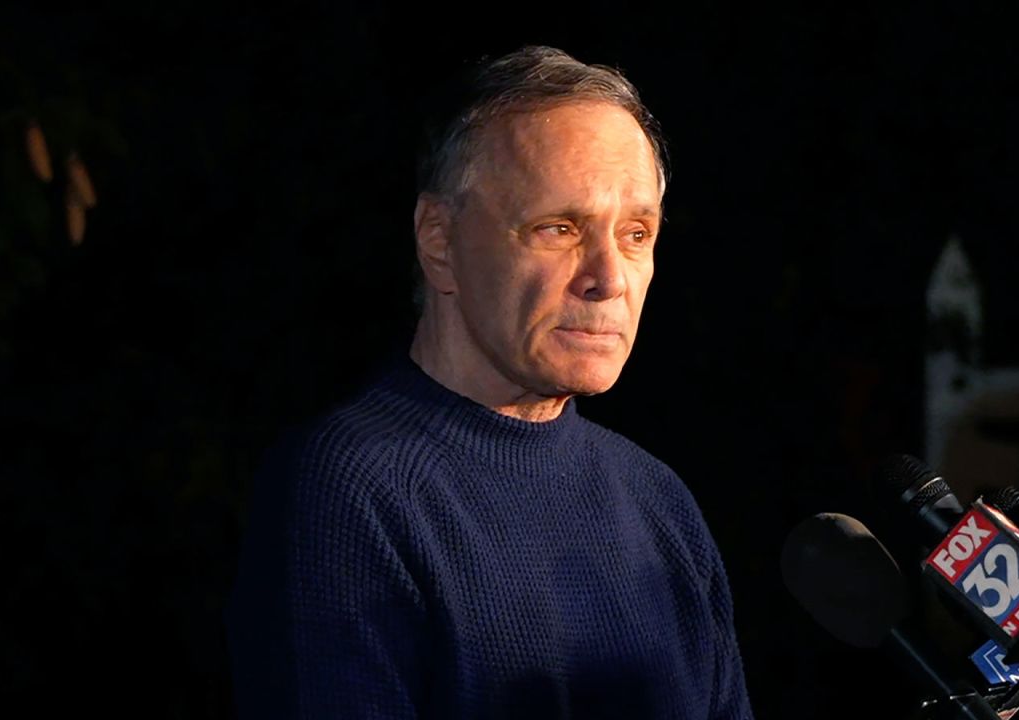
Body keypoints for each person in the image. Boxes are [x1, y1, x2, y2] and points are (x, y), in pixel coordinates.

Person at [224, 45, 755, 719]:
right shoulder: (346, 493)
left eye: (636, 233)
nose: (609, 278)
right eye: (559, 228)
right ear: (439, 239)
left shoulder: (661, 505)